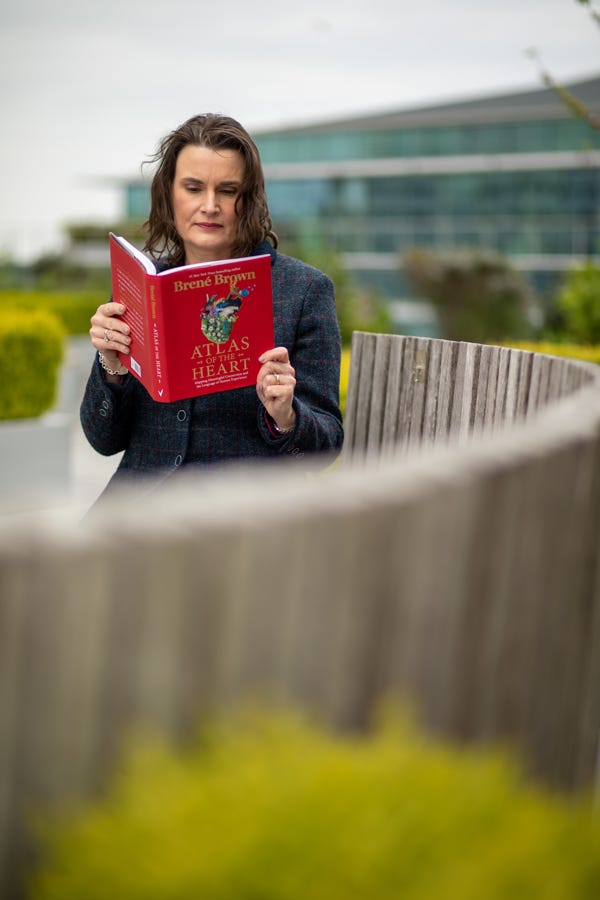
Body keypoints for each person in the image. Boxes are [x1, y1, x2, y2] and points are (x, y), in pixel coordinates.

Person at [81, 114, 343, 502]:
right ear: (169, 194)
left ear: (249, 197)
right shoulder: (139, 289)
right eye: (193, 187)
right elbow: (102, 441)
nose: (209, 205)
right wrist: (112, 366)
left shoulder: (304, 290)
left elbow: (326, 447)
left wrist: (286, 416)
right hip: (137, 513)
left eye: (227, 190)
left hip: (239, 517)